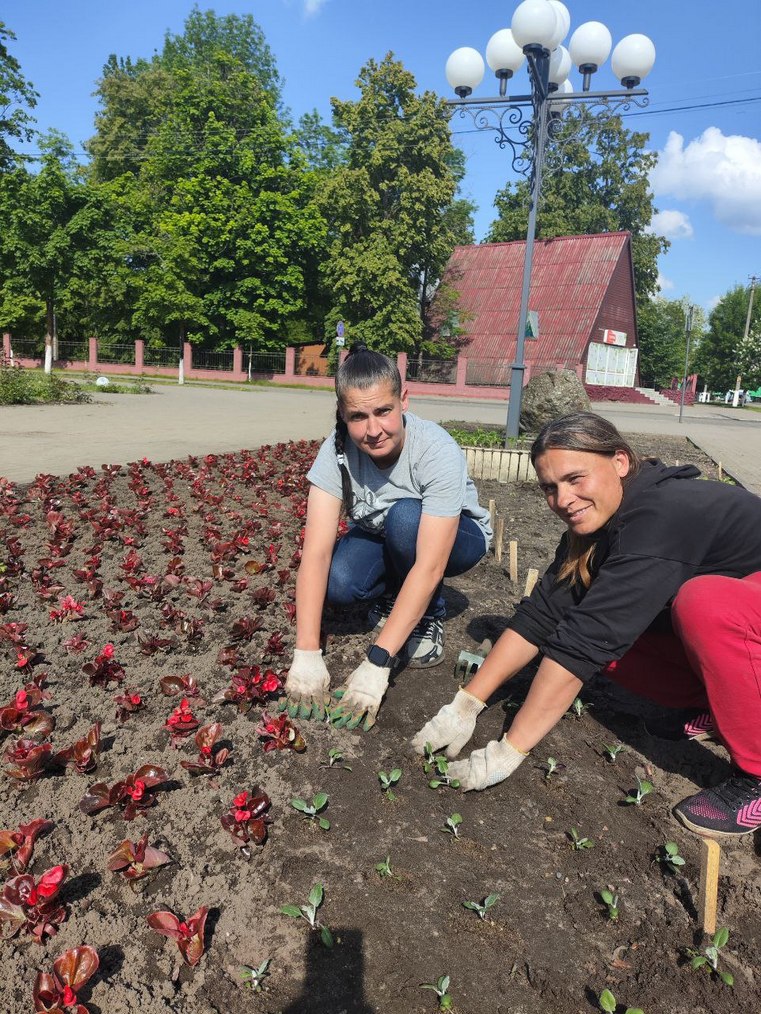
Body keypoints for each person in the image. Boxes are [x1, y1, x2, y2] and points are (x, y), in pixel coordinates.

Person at [412, 411, 761, 840]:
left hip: (744, 618)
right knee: (608, 635)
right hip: (751, 632)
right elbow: (543, 616)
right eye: (550, 488)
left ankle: (756, 774)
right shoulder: (597, 525)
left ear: (619, 462)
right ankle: (718, 708)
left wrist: (508, 750)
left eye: (576, 478)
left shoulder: (661, 515)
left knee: (703, 605)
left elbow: (583, 646)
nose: (563, 499)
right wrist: (466, 704)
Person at [282, 345, 492, 730]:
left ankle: (428, 615)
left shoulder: (435, 449)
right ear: (342, 415)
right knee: (340, 582)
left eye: (383, 411)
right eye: (358, 416)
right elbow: (315, 553)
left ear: (404, 400)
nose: (373, 429)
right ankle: (396, 596)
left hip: (455, 536)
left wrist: (377, 663)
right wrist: (307, 652)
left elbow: (429, 565)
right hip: (382, 533)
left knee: (405, 518)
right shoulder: (337, 451)